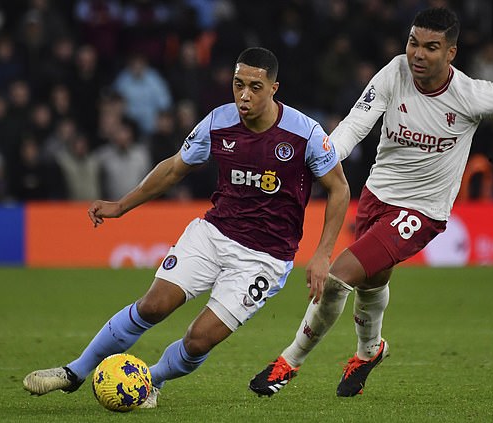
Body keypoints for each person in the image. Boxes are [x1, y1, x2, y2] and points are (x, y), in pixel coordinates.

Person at [22, 47, 350, 408]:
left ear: (274, 88)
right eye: (238, 84)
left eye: (255, 87)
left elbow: (339, 189)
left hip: (265, 259)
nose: (244, 95)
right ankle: (74, 372)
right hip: (213, 234)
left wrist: (322, 254)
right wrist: (121, 205)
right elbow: (176, 167)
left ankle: (150, 379)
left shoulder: (304, 134)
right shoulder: (217, 122)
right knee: (152, 306)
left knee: (198, 340)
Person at [249, 7, 493, 398]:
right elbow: (356, 121)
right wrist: (323, 159)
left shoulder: (470, 95)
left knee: (338, 278)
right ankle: (370, 351)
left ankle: (288, 362)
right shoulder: (395, 71)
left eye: (431, 47)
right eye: (413, 43)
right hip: (377, 194)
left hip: (422, 211)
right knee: (372, 282)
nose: (418, 54)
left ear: (451, 53)